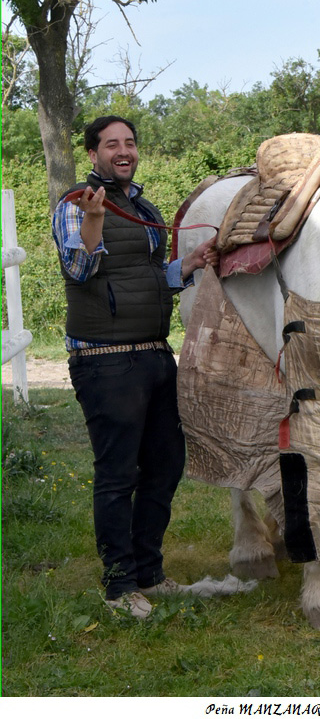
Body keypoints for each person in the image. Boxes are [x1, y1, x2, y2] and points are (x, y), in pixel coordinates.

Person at [52, 116, 217, 618]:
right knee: (118, 474)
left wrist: (188, 266)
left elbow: (144, 276)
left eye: (129, 143)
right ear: (93, 154)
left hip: (153, 353)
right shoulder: (75, 204)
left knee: (165, 467)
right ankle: (119, 585)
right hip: (105, 361)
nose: (123, 151)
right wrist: (95, 220)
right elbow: (80, 268)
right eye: (111, 144)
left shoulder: (143, 206)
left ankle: (148, 573)